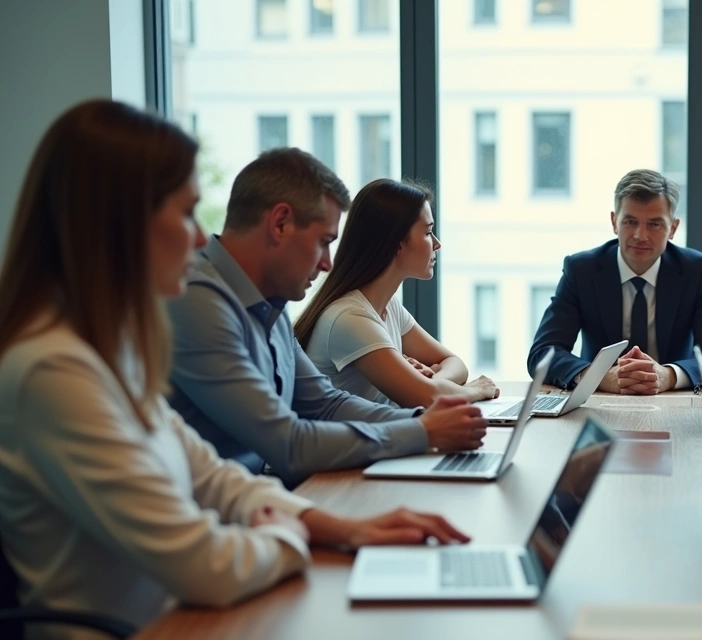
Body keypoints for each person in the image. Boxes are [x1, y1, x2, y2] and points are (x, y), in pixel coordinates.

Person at [0, 100, 469, 640]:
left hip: (196, 611)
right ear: (119, 223)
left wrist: (344, 526)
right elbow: (203, 562)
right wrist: (294, 533)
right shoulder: (54, 372)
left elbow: (212, 477)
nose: (201, 238)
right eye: (185, 212)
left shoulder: (111, 354)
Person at [165, 149, 486, 488]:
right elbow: (288, 444)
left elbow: (325, 405)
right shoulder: (197, 302)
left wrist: (423, 420)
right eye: (323, 242)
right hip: (225, 515)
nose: (327, 264)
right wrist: (422, 430)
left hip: (262, 502)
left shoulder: (268, 301)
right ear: (280, 224)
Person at [527, 169, 702, 394]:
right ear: (614, 221)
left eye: (655, 224)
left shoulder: (695, 270)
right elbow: (543, 353)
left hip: (673, 402)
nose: (640, 235)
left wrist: (669, 375)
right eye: (630, 221)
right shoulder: (582, 270)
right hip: (599, 402)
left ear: (673, 228)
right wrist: (599, 378)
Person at [294, 178, 499, 408]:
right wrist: (472, 390)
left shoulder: (388, 306)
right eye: (428, 232)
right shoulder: (350, 318)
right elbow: (427, 397)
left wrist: (434, 382)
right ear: (397, 243)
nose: (437, 243)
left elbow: (455, 364)